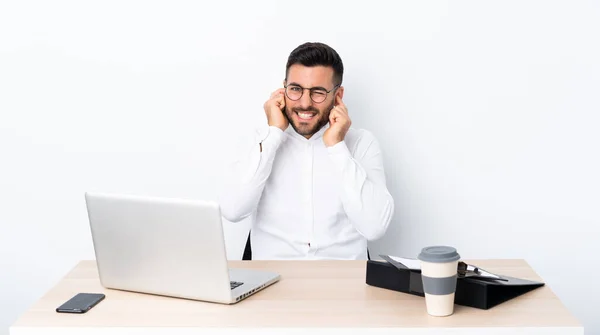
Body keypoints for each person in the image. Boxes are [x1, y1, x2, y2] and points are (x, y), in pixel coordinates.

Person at [219, 42, 394, 260]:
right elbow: (232, 210)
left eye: (318, 92)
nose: (304, 103)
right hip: (272, 282)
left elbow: (374, 227)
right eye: (295, 89)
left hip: (344, 283)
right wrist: (274, 134)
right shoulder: (260, 139)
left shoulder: (361, 143)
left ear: (338, 95)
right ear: (283, 90)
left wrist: (337, 146)